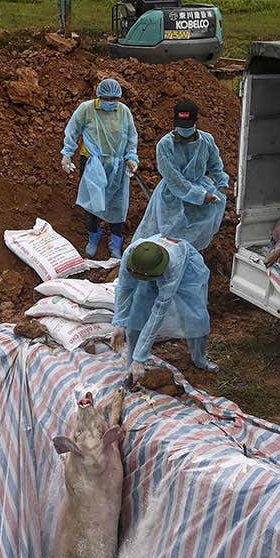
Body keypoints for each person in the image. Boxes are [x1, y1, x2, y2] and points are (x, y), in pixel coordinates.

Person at [112, 235, 219, 377]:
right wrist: (119, 322)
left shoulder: (172, 267)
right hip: (149, 269)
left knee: (195, 317)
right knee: (137, 315)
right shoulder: (131, 254)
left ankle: (200, 359)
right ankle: (132, 366)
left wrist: (141, 356)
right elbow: (124, 288)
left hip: (187, 271)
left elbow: (158, 312)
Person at [132, 100, 229, 251]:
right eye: (181, 125)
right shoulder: (165, 145)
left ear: (196, 121)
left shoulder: (207, 141)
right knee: (168, 237)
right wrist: (201, 196)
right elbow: (174, 179)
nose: (183, 130)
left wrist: (222, 183)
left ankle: (191, 260)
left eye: (187, 125)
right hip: (172, 196)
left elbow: (215, 165)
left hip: (201, 191)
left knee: (194, 237)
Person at [61, 78, 139, 259]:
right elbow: (72, 130)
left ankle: (116, 242)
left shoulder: (124, 112)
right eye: (107, 98)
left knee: (117, 203)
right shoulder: (87, 109)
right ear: (99, 95)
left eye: (114, 99)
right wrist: (67, 153)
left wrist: (131, 158)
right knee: (91, 203)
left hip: (117, 164)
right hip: (92, 162)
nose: (110, 102)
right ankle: (93, 237)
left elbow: (131, 137)